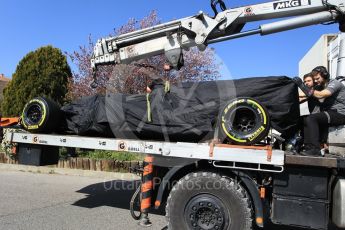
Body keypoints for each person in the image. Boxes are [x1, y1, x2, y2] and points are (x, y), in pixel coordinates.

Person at [298, 66, 345, 156]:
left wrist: (302, 85)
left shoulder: (334, 83)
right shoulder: (320, 86)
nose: (315, 81)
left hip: (340, 113)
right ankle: (308, 148)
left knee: (312, 118)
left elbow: (321, 95)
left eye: (317, 78)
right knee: (305, 119)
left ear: (325, 75)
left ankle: (315, 149)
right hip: (331, 112)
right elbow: (304, 94)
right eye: (314, 79)